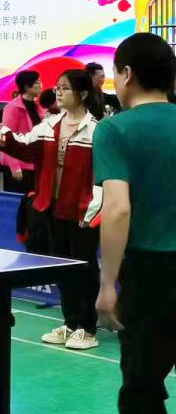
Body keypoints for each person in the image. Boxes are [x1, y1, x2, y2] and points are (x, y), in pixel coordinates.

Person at [94, 33, 176, 412]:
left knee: (142, 388)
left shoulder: (115, 129)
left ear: (126, 74)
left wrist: (107, 284)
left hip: (151, 274)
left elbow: (117, 209)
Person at [0, 70, 103, 350]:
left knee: (84, 269)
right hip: (52, 208)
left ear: (83, 93)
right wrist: (6, 139)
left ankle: (88, 327)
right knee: (62, 268)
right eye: (57, 87)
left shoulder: (96, 130)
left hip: (82, 213)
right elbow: (26, 148)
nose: (58, 92)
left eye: (65, 88)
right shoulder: (50, 124)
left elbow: (101, 177)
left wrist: (91, 211)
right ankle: (70, 322)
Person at [0, 70, 44, 193]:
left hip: (34, 163)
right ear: (27, 86)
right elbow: (6, 137)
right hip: (19, 166)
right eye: (37, 82)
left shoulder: (38, 107)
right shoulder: (12, 107)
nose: (41, 85)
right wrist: (14, 166)